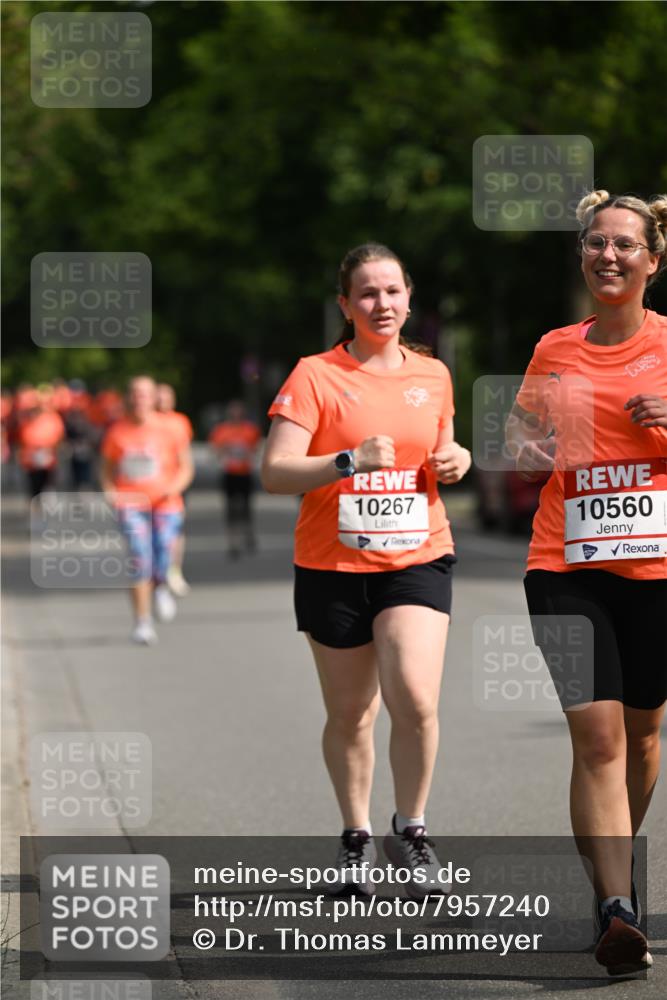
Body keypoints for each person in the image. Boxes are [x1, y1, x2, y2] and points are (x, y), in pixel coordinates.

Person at [262, 243, 471, 896]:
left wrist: (455, 460)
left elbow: (439, 449)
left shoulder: (432, 374)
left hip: (417, 554)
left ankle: (410, 830)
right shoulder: (315, 375)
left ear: (409, 299)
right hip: (332, 561)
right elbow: (274, 472)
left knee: (413, 693)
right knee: (351, 712)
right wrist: (348, 461)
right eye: (367, 293)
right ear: (345, 305)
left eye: (392, 291)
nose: (382, 304)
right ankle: (354, 839)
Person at [507, 191, 667, 976]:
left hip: (656, 569)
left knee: (641, 736)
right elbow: (518, 431)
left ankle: (614, 883)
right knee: (598, 739)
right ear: (583, 256)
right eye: (595, 244)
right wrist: (526, 450)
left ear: (652, 262)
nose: (607, 256)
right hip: (564, 564)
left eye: (624, 246)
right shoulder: (553, 349)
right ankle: (616, 907)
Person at [100, 376, 194, 645]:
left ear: (154, 398)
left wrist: (173, 488)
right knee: (140, 558)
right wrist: (109, 490)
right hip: (131, 504)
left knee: (164, 551)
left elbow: (185, 467)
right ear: (128, 398)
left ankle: (162, 584)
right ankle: (142, 621)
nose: (139, 399)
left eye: (144, 394)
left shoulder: (172, 428)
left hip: (165, 503)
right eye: (134, 394)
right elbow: (106, 467)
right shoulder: (117, 431)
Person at [156, 382, 194, 595]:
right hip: (153, 485)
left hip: (176, 482)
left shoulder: (180, 421)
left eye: (166, 397)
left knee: (176, 529)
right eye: (159, 397)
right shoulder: (148, 421)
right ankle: (156, 571)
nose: (162, 401)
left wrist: (179, 481)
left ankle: (174, 570)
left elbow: (184, 454)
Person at [209, 400, 261, 558]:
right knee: (231, 509)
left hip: (245, 473)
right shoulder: (221, 430)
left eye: (238, 411)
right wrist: (224, 451)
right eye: (233, 411)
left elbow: (256, 450)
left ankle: (248, 534)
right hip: (229, 473)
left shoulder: (250, 430)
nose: (236, 414)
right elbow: (214, 452)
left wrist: (246, 454)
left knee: (246, 507)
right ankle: (233, 541)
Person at [16, 385, 65, 499]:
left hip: (47, 456)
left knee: (47, 483)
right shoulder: (27, 419)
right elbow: (21, 437)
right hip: (31, 458)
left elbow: (59, 436)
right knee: (34, 484)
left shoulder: (52, 418)